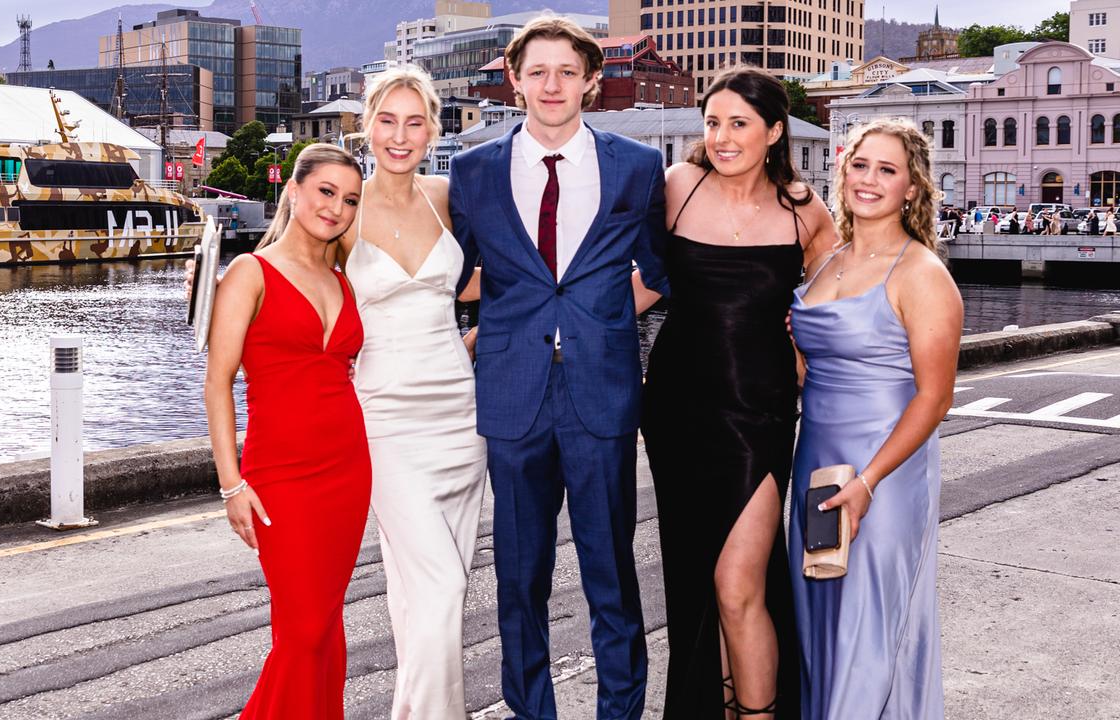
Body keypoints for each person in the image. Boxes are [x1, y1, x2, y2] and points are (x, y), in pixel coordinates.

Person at [448, 15, 668, 718]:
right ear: (514, 80)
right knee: (519, 578)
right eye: (537, 71)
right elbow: (451, 277)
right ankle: (530, 710)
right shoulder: (472, 171)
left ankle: (620, 711)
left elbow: (661, 272)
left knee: (611, 574)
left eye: (567, 72)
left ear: (591, 81)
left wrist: (602, 321)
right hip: (513, 397)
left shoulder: (636, 166)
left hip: (600, 395)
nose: (552, 84)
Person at [641, 66, 837, 719]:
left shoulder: (805, 210)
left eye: (739, 124)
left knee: (738, 580)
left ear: (774, 131)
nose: (722, 137)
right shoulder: (677, 186)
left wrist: (804, 331)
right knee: (701, 577)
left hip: (759, 414)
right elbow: (638, 284)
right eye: (713, 123)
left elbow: (845, 302)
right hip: (675, 410)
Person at [788, 118, 961, 719]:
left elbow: (934, 398)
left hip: (885, 475)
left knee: (871, 624)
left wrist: (868, 482)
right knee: (823, 624)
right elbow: (809, 372)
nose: (869, 180)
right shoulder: (825, 262)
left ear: (912, 188)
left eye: (888, 170)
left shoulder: (922, 273)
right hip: (817, 467)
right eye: (860, 165)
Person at [335, 65, 487, 719]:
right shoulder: (341, 204)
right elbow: (289, 286)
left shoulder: (449, 196)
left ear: (434, 128)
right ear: (366, 125)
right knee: (442, 583)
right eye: (387, 120)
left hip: (461, 417)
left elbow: (502, 277)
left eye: (415, 121)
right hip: (385, 418)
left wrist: (482, 339)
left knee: (421, 598)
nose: (400, 135)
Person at [204, 143, 371, 718]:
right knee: (302, 632)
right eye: (326, 192)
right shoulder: (251, 271)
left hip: (348, 470)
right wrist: (232, 485)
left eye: (350, 200)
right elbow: (217, 381)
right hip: (281, 474)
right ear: (293, 191)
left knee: (324, 627)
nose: (336, 208)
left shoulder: (345, 278)